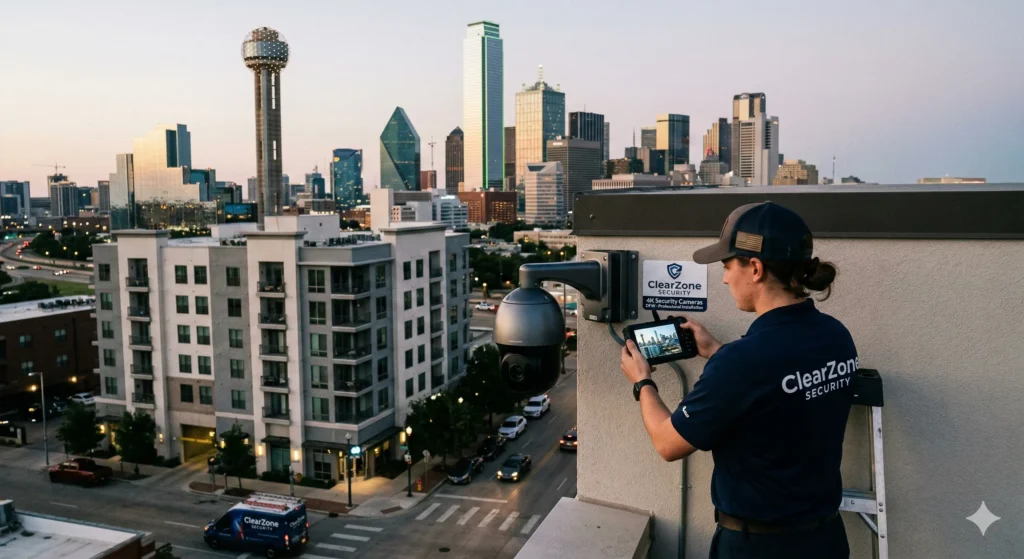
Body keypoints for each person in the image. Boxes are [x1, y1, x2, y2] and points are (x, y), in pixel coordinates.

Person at [619, 201, 856, 559]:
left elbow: (668, 444)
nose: (726, 277)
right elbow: (776, 387)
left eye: (728, 265)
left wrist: (643, 382)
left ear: (756, 268)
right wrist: (716, 350)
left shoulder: (743, 362)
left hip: (759, 547)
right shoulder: (836, 335)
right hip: (826, 541)